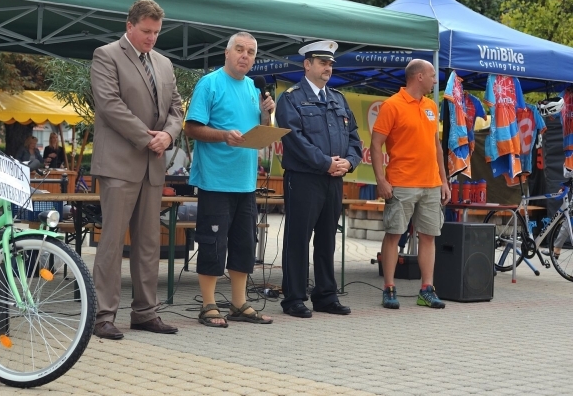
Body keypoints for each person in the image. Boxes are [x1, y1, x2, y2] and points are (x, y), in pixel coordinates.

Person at [89, 0, 183, 340]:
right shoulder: (106, 55)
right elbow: (109, 104)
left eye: (156, 32)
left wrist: (169, 136)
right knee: (112, 242)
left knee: (148, 244)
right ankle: (103, 315)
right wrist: (148, 139)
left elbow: (176, 109)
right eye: (146, 31)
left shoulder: (165, 63)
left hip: (152, 164)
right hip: (118, 162)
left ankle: (145, 312)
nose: (151, 38)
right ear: (129, 25)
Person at [184, 32, 275, 328]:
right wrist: (224, 135)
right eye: (240, 50)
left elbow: (261, 132)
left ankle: (239, 303)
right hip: (215, 180)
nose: (245, 56)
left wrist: (266, 117)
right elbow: (192, 128)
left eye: (250, 52)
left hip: (246, 182)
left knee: (244, 243)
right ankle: (209, 305)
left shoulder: (253, 87)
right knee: (212, 242)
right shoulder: (209, 84)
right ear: (227, 53)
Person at [275, 41, 362, 318]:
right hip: (304, 179)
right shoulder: (291, 98)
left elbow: (354, 137)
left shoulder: (338, 98)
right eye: (323, 63)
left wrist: (349, 162)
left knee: (327, 239)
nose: (328, 68)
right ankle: (294, 298)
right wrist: (325, 163)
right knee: (298, 239)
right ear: (307, 64)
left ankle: (325, 295)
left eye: (331, 64)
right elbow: (294, 138)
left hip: (334, 179)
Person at [370, 59, 451, 310]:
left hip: (431, 183)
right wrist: (381, 179)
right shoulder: (392, 105)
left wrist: (444, 181)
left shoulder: (431, 106)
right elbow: (375, 144)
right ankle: (389, 288)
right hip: (401, 182)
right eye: (432, 75)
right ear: (418, 77)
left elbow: (436, 145)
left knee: (429, 236)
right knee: (394, 234)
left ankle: (426, 289)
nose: (435, 80)